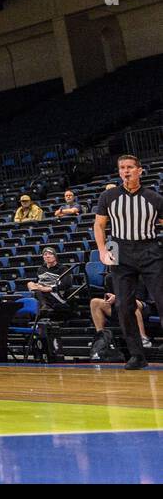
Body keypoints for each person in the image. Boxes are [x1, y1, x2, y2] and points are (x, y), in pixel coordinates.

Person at [93, 154, 163, 370]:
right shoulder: (109, 196)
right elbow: (99, 225)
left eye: (130, 167)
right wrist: (103, 251)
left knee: (162, 300)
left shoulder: (154, 198)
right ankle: (136, 355)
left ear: (139, 170)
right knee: (123, 305)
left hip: (149, 248)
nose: (126, 170)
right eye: (122, 167)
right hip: (121, 250)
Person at [89, 272, 152, 361]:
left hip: (141, 305)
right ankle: (102, 338)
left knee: (131, 304)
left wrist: (117, 297)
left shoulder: (138, 276)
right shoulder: (109, 278)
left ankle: (143, 337)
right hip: (119, 305)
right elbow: (111, 298)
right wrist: (109, 298)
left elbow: (139, 297)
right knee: (95, 302)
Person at [25, 247, 72, 315]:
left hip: (56, 293)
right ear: (43, 257)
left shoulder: (63, 268)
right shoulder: (41, 269)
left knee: (38, 293)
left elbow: (67, 285)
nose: (47, 256)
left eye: (50, 254)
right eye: (45, 254)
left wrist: (48, 289)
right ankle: (44, 306)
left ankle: (44, 306)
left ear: (55, 256)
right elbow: (38, 283)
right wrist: (37, 286)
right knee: (30, 284)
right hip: (42, 292)